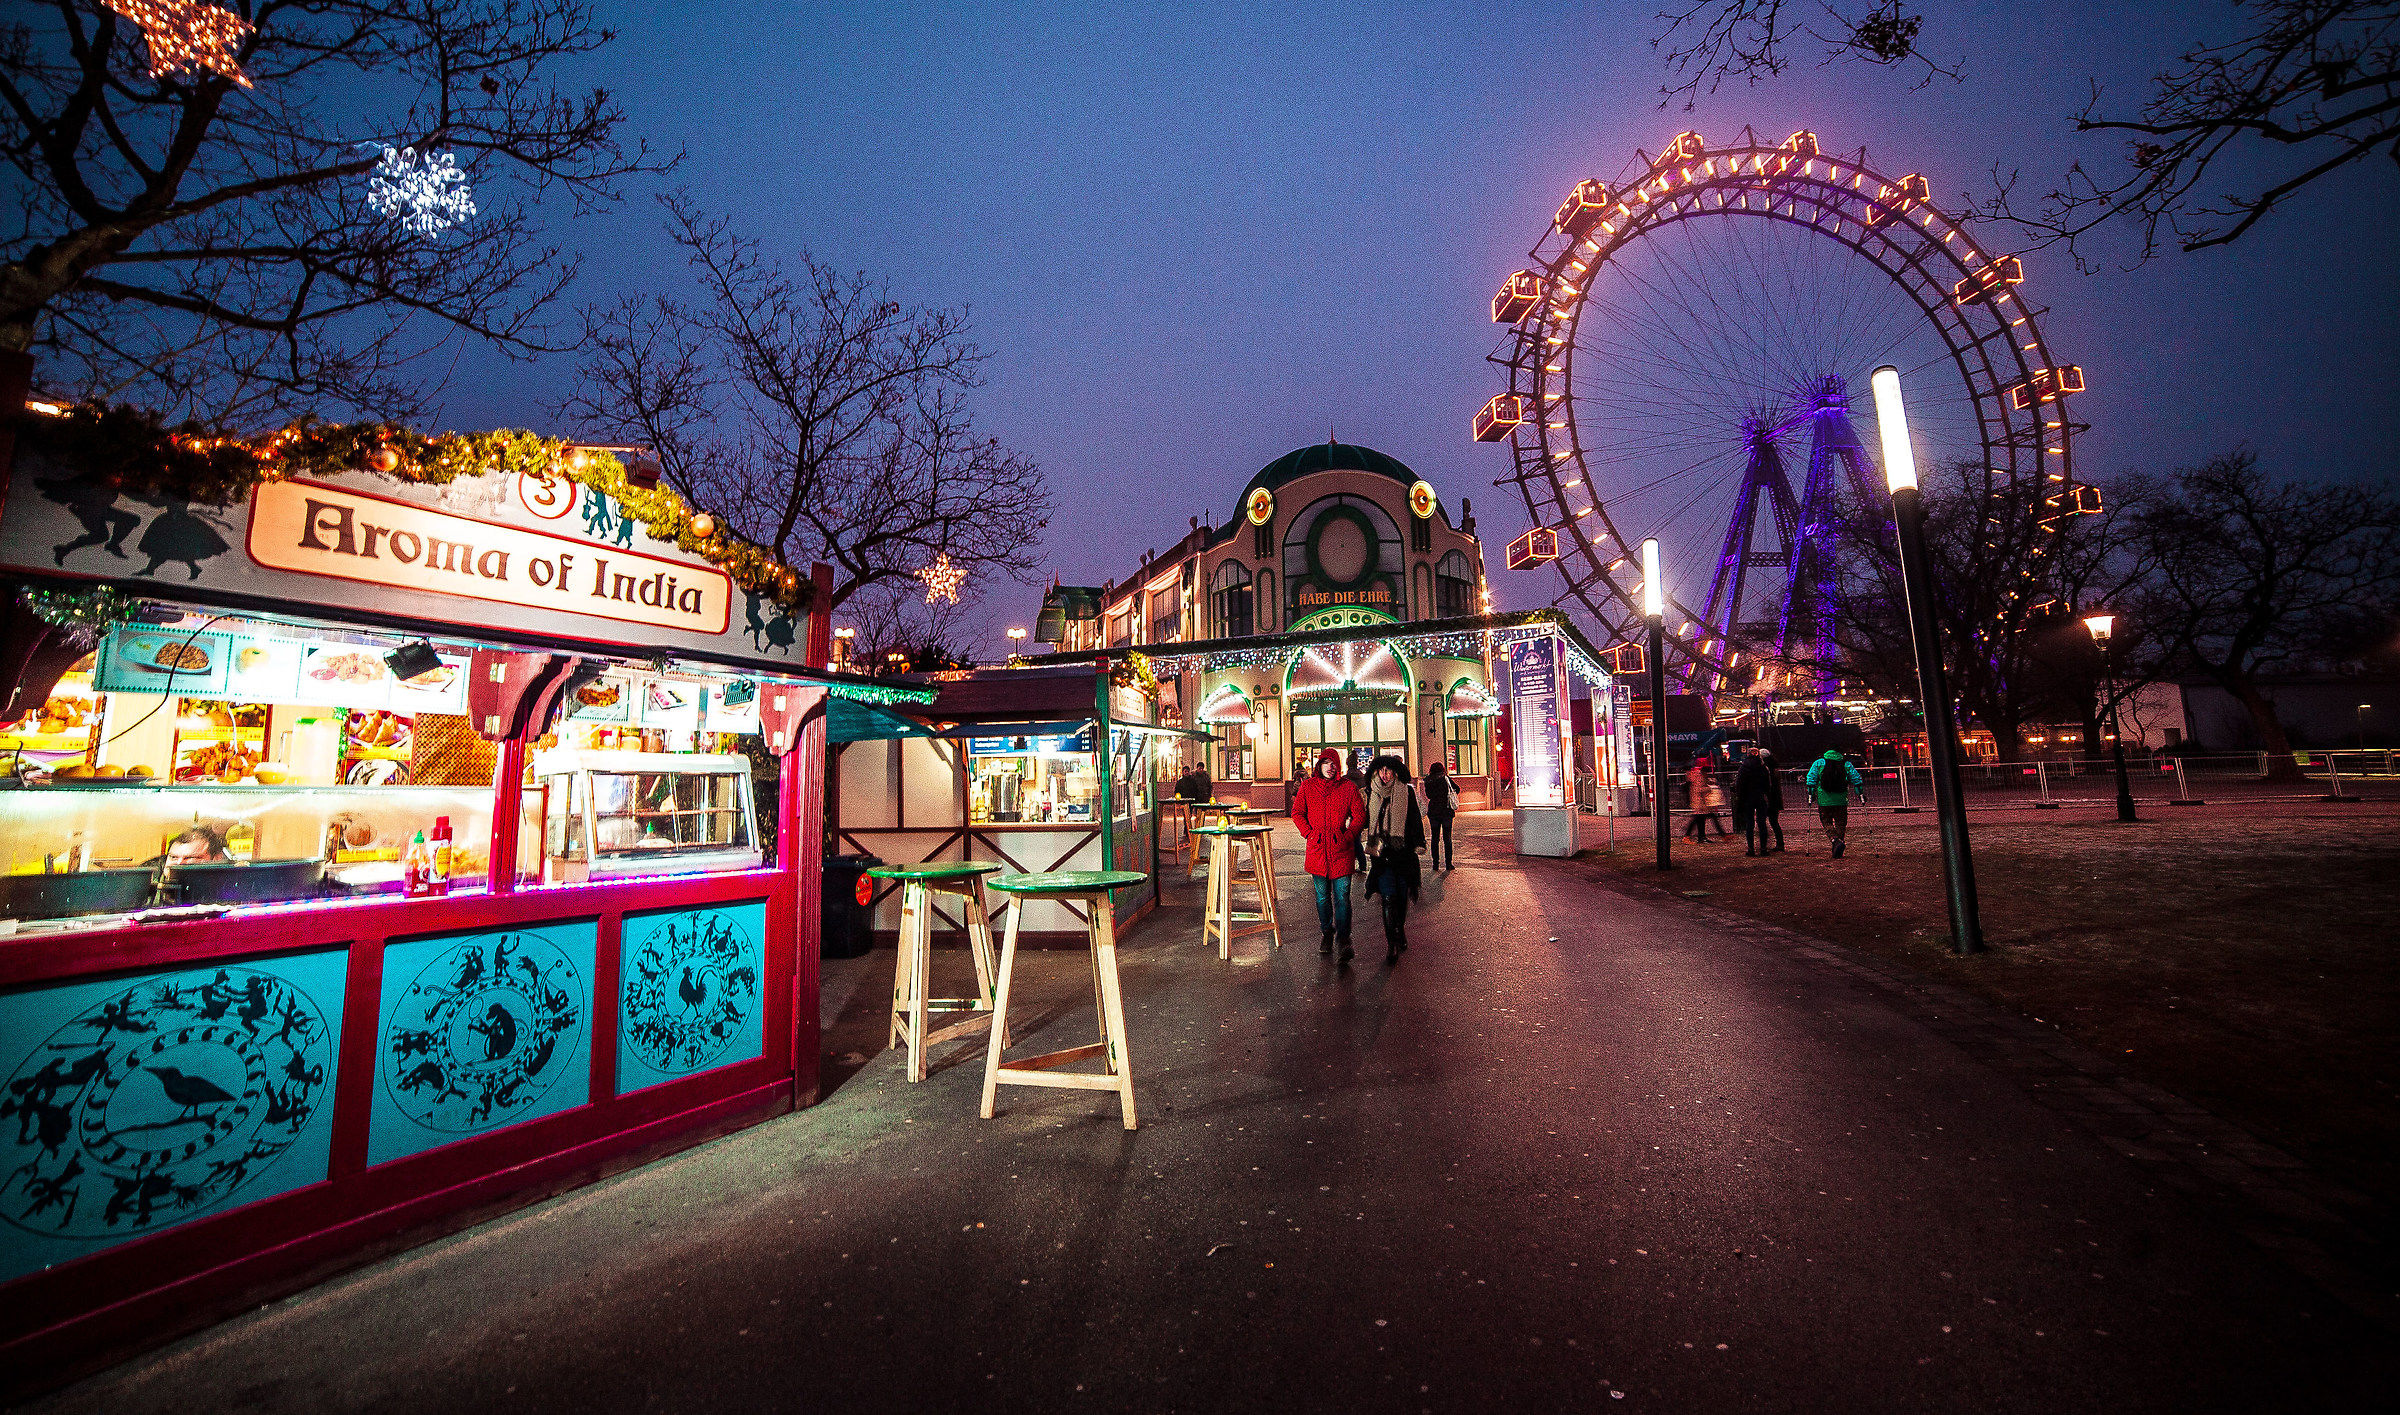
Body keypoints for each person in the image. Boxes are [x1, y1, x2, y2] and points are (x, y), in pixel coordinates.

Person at [1291, 746, 1365, 962]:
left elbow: (1360, 815)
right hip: (1317, 850)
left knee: (1342, 897)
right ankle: (1327, 932)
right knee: (1322, 898)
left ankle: (1344, 939)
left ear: (1338, 766)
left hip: (1341, 850)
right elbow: (1297, 812)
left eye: (1333, 763)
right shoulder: (1307, 787)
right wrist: (1308, 833)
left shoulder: (1348, 788)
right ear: (1319, 765)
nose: (1330, 767)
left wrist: (1348, 835)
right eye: (1326, 763)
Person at [1360, 755, 1425, 965]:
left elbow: (1415, 819)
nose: (1385, 775)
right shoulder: (1371, 792)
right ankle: (1391, 944)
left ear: (1396, 772)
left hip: (1403, 853)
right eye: (1381, 771)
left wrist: (1418, 842)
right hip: (1382, 855)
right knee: (1388, 897)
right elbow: (1362, 818)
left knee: (1402, 895)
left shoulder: (1406, 792)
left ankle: (1400, 928)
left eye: (1389, 771)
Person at [1805, 748, 1865, 858]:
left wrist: (1811, 794)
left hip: (1824, 799)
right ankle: (1839, 843)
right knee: (1841, 823)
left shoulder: (1819, 763)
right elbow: (1856, 779)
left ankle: (1834, 840)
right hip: (1841, 799)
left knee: (1826, 821)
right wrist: (1860, 793)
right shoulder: (1846, 764)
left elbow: (1811, 779)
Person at [1733, 747, 1777, 856]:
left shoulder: (1743, 767)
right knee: (1762, 823)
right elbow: (1768, 784)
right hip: (1760, 797)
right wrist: (1766, 794)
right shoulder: (1762, 767)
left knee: (1749, 824)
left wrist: (1740, 797)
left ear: (1748, 754)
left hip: (1748, 798)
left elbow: (1740, 784)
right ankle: (1763, 848)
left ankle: (1751, 849)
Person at [1682, 757, 1728, 843]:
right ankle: (1691, 837)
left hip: (1701, 801)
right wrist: (1709, 789)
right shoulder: (1698, 774)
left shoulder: (1698, 773)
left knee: (1700, 819)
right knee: (1700, 819)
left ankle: (1700, 837)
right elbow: (1699, 788)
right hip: (1700, 801)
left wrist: (1709, 783)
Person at [1422, 761, 1458, 869]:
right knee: (1447, 838)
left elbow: (1428, 795)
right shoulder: (1445, 779)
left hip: (1434, 812)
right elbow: (1457, 788)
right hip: (1446, 811)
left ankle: (1435, 864)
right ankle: (1448, 863)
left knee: (1435, 838)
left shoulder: (1428, 780)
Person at [1757, 748, 1787, 853]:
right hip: (1775, 798)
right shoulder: (1775, 769)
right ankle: (1780, 844)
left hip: (1769, 798)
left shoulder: (1766, 769)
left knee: (1764, 821)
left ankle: (1766, 843)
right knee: (1774, 822)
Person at [160, 825, 229, 865]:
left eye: (190, 858)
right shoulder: (150, 879)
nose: (179, 863)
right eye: (173, 857)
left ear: (217, 858)